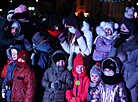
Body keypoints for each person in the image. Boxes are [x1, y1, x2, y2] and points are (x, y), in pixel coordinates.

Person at [108, 19, 138, 102]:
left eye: (124, 29)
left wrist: (128, 84)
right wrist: (115, 46)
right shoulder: (118, 41)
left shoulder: (136, 45)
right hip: (119, 79)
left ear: (131, 31)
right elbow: (110, 58)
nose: (121, 31)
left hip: (132, 82)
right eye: (121, 28)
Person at [31, 32, 53, 102]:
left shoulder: (39, 51)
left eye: (34, 43)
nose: (33, 44)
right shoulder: (48, 49)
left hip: (40, 73)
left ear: (38, 43)